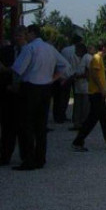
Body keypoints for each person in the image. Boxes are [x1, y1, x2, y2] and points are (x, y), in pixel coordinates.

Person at [12, 25, 71, 170]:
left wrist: (14, 84)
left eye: (26, 33)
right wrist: (53, 78)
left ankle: (28, 159)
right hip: (46, 87)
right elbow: (65, 65)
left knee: (27, 125)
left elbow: (19, 69)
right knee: (41, 126)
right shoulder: (49, 48)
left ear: (31, 33)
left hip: (30, 87)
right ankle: (40, 158)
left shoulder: (30, 48)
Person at [72, 40, 106, 152]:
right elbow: (94, 75)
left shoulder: (99, 59)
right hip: (96, 93)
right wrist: (102, 90)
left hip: (99, 93)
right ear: (104, 48)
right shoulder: (96, 58)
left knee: (105, 119)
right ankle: (78, 142)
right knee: (92, 120)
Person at [0, 27, 26, 166]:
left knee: (24, 127)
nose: (17, 38)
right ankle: (5, 156)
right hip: (8, 93)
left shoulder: (30, 51)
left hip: (25, 92)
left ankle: (25, 156)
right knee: (7, 126)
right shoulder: (6, 51)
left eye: (20, 35)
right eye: (16, 35)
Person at [54, 35, 81, 123]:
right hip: (75, 74)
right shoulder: (79, 50)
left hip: (65, 75)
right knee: (77, 96)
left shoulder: (65, 50)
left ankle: (60, 115)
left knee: (63, 96)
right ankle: (76, 116)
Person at [71, 42, 91, 131]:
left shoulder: (87, 58)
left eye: (76, 50)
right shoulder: (80, 58)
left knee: (84, 106)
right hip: (79, 86)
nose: (75, 52)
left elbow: (88, 73)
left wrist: (77, 76)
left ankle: (84, 123)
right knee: (78, 106)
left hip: (85, 86)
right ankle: (77, 123)